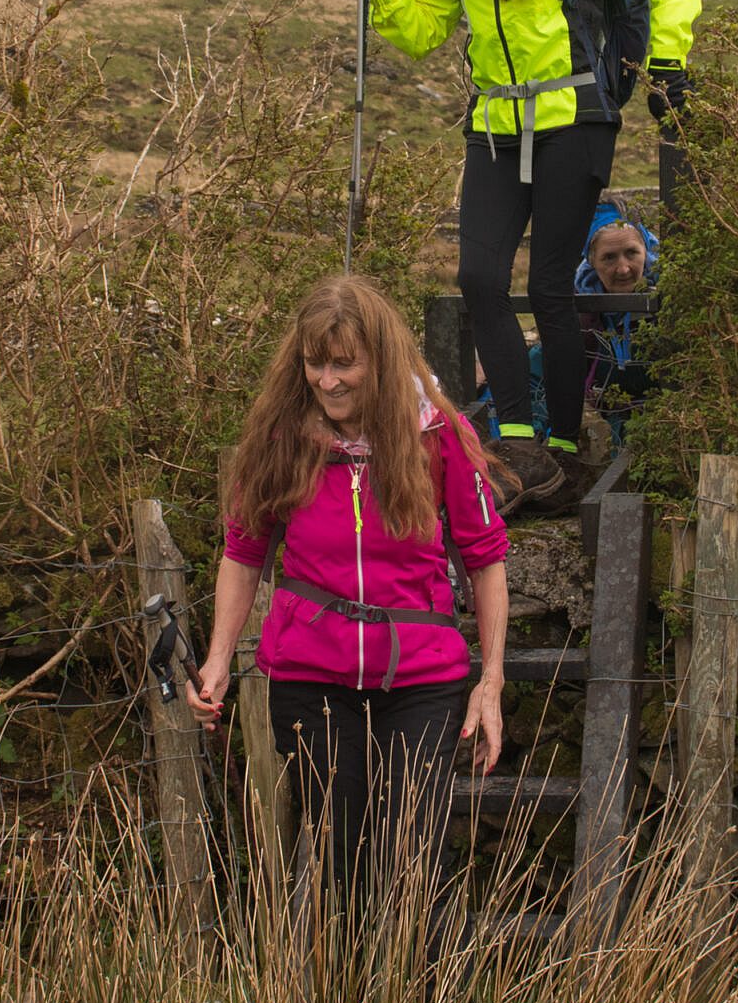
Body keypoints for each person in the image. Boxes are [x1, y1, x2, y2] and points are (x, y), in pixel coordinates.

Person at [342, 0, 700, 516]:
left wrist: (668, 61)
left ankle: (561, 445)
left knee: (549, 286)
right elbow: (421, 29)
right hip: (495, 124)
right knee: (478, 277)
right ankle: (513, 441)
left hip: (576, 120)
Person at [186, 274, 509, 894]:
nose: (327, 381)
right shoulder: (279, 437)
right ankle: (347, 963)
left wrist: (490, 682)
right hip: (310, 679)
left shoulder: (439, 435)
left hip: (422, 678)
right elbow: (244, 551)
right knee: (342, 864)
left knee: (415, 864)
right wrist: (218, 660)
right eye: (315, 364)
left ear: (380, 361)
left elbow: (485, 558)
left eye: (344, 364)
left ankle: (427, 964)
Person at [574, 197, 659, 448]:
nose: (623, 269)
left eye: (631, 253)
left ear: (646, 251)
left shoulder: (671, 299)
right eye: (609, 258)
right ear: (592, 261)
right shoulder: (580, 309)